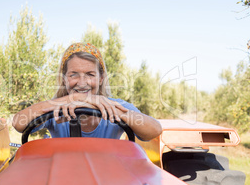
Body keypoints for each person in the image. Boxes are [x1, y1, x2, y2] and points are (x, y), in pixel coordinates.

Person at [12, 42, 162, 141]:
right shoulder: (56, 107)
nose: (82, 83)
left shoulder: (115, 105)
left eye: (90, 75)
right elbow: (18, 123)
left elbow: (154, 130)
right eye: (73, 74)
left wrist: (103, 107)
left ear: (101, 78)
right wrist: (73, 99)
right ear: (64, 79)